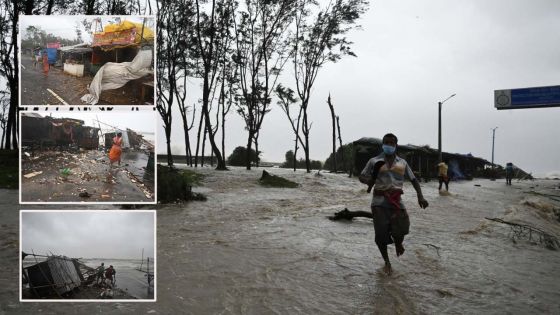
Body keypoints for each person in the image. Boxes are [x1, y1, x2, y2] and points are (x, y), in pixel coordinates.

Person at [359, 133, 429, 275]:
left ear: (395, 145)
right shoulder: (374, 161)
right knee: (380, 236)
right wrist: (368, 181)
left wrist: (420, 196)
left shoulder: (402, 163)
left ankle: (398, 243)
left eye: (392, 143)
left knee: (403, 228)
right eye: (386, 142)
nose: (389, 145)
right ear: (383, 144)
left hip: (397, 200)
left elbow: (414, 180)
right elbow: (362, 175)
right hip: (379, 201)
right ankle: (387, 262)